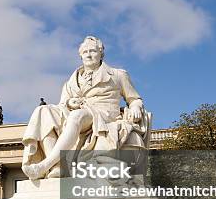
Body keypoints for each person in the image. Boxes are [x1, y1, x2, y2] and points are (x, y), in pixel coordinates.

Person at [21, 36, 148, 180]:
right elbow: (62, 104)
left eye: (93, 51)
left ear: (101, 54)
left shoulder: (118, 75)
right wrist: (70, 103)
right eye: (85, 51)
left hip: (104, 114)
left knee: (77, 116)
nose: (89, 54)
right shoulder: (71, 81)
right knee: (43, 112)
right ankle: (58, 166)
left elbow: (134, 99)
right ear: (81, 55)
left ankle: (44, 165)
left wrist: (136, 107)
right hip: (78, 112)